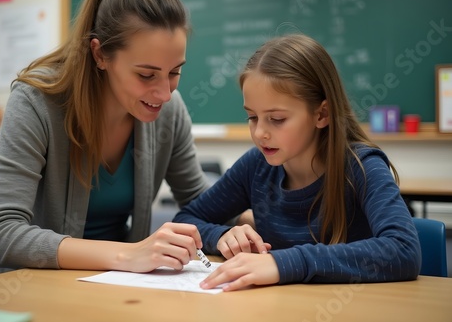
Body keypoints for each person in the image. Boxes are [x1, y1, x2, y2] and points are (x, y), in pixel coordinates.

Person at [0, 0, 210, 275]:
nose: (165, 94)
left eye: (175, 72)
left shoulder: (170, 110)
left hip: (118, 289)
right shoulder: (36, 102)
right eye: (146, 75)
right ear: (100, 54)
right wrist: (126, 256)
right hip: (34, 292)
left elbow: (202, 204)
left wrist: (237, 227)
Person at [173, 33, 421, 291]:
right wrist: (221, 235)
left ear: (321, 114)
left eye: (277, 119)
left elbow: (403, 250)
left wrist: (283, 263)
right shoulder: (256, 166)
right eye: (252, 117)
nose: (259, 133)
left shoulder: (361, 167)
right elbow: (186, 220)